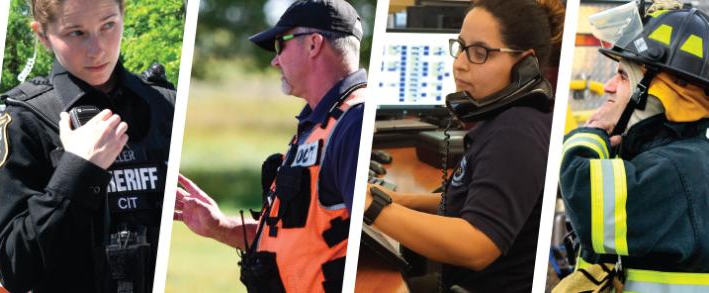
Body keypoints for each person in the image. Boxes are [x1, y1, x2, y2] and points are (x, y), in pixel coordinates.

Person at [362, 0, 563, 291]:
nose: (459, 63)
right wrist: (402, 201)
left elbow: (477, 245)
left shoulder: (516, 131)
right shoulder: (503, 119)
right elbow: (471, 198)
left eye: (479, 53)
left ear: (525, 63)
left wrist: (370, 206)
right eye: (461, 47)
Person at [173, 0, 365, 291]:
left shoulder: (354, 123)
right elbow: (296, 236)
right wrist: (219, 227)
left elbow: (368, 250)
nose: (275, 60)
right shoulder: (319, 123)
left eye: (280, 45)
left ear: (314, 44)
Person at [0, 0, 175, 291]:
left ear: (123, 16)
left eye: (108, 25)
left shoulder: (165, 105)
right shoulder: (23, 120)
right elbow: (13, 268)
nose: (97, 48)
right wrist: (77, 170)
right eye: (76, 33)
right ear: (43, 36)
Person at [558, 1, 709, 291]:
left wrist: (590, 135)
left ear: (657, 93)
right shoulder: (671, 156)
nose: (608, 87)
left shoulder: (679, 168)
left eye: (623, 75)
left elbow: (585, 199)